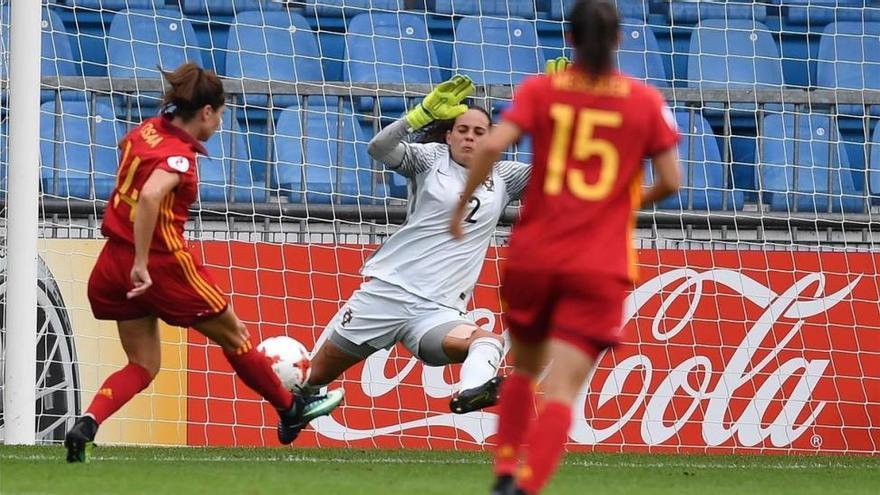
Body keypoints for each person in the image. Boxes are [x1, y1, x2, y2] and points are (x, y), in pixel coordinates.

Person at [450, 1, 682, 493]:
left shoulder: (541, 89)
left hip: (536, 254)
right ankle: (528, 485)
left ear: (570, 41)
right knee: (562, 390)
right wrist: (621, 199)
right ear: (619, 40)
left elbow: (492, 147)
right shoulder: (643, 101)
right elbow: (672, 179)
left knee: (524, 370)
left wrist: (461, 203)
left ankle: (505, 470)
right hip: (599, 262)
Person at [64, 62, 343, 463]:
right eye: (221, 114)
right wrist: (143, 261)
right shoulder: (179, 158)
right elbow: (149, 197)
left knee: (142, 364)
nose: (219, 124)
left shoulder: (145, 131)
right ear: (207, 112)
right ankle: (290, 409)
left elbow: (137, 176)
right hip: (161, 265)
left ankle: (88, 422)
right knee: (236, 336)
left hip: (111, 262)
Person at [304, 71, 550, 414]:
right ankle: (294, 410)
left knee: (487, 342)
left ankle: (471, 392)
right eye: (462, 130)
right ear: (448, 135)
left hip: (438, 312)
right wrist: (418, 116)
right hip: (388, 294)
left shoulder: (505, 178)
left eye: (479, 132)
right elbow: (378, 148)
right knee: (313, 375)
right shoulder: (430, 160)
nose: (469, 138)